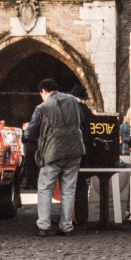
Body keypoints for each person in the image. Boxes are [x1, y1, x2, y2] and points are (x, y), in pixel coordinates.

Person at [24, 79, 85, 237]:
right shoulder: (73, 100)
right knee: (68, 190)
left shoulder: (42, 107)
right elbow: (81, 120)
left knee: (45, 188)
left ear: (43, 91)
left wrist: (26, 134)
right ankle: (66, 227)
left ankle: (43, 226)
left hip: (53, 152)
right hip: (74, 150)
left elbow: (30, 132)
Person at [70, 84, 94, 225]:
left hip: (74, 151)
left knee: (71, 186)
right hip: (87, 152)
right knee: (82, 186)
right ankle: (82, 216)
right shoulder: (88, 111)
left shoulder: (74, 109)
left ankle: (73, 217)